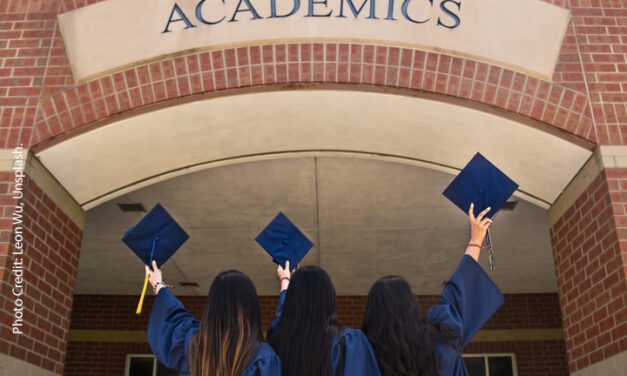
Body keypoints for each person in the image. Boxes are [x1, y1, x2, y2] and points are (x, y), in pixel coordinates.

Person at [361, 204, 504, 376]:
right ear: (411, 306)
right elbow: (459, 291)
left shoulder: (360, 355)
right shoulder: (439, 341)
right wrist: (476, 239)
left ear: (371, 312)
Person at [146, 261, 282, 376]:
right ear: (252, 307)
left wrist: (158, 284)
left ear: (212, 305)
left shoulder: (192, 343)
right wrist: (285, 282)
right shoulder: (263, 357)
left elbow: (173, 315)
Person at [267, 261, 382, 376]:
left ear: (291, 301)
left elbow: (281, 320)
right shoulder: (349, 342)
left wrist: (285, 282)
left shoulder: (277, 341)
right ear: (329, 298)